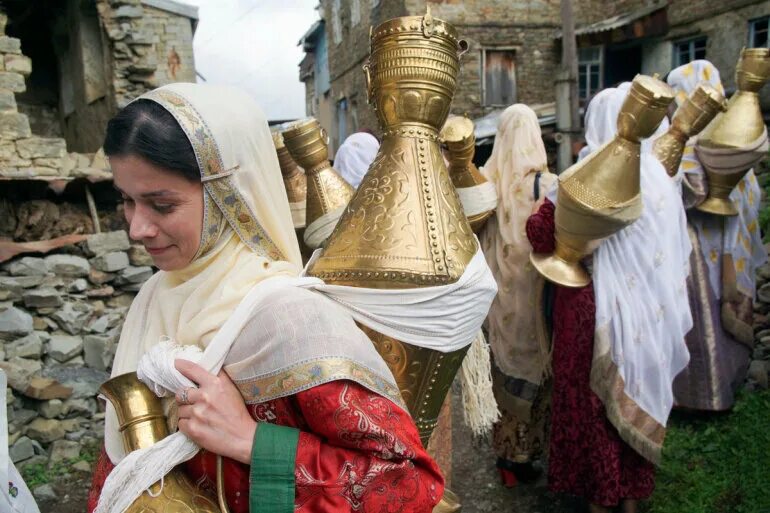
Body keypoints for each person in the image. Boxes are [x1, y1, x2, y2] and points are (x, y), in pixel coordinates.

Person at [87, 83, 443, 513]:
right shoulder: (155, 296)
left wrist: (252, 441)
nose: (136, 228)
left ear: (229, 196)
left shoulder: (290, 321)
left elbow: (409, 485)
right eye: (126, 200)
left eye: (161, 205)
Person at [527, 85, 692, 513]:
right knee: (631, 391)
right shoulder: (657, 177)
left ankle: (601, 498)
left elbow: (541, 232)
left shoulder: (584, 174)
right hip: (646, 316)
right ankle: (631, 497)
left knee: (591, 401)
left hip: (587, 306)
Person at [667, 60, 768, 411]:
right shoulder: (732, 136)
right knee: (712, 320)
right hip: (722, 246)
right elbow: (750, 192)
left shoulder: (691, 143)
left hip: (695, 246)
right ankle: (726, 387)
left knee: (698, 319)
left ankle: (699, 397)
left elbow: (683, 192)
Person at [478, 104, 556, 485]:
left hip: (499, 304)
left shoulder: (485, 185)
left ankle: (507, 457)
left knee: (504, 370)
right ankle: (529, 454)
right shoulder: (548, 185)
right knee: (536, 370)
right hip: (536, 299)